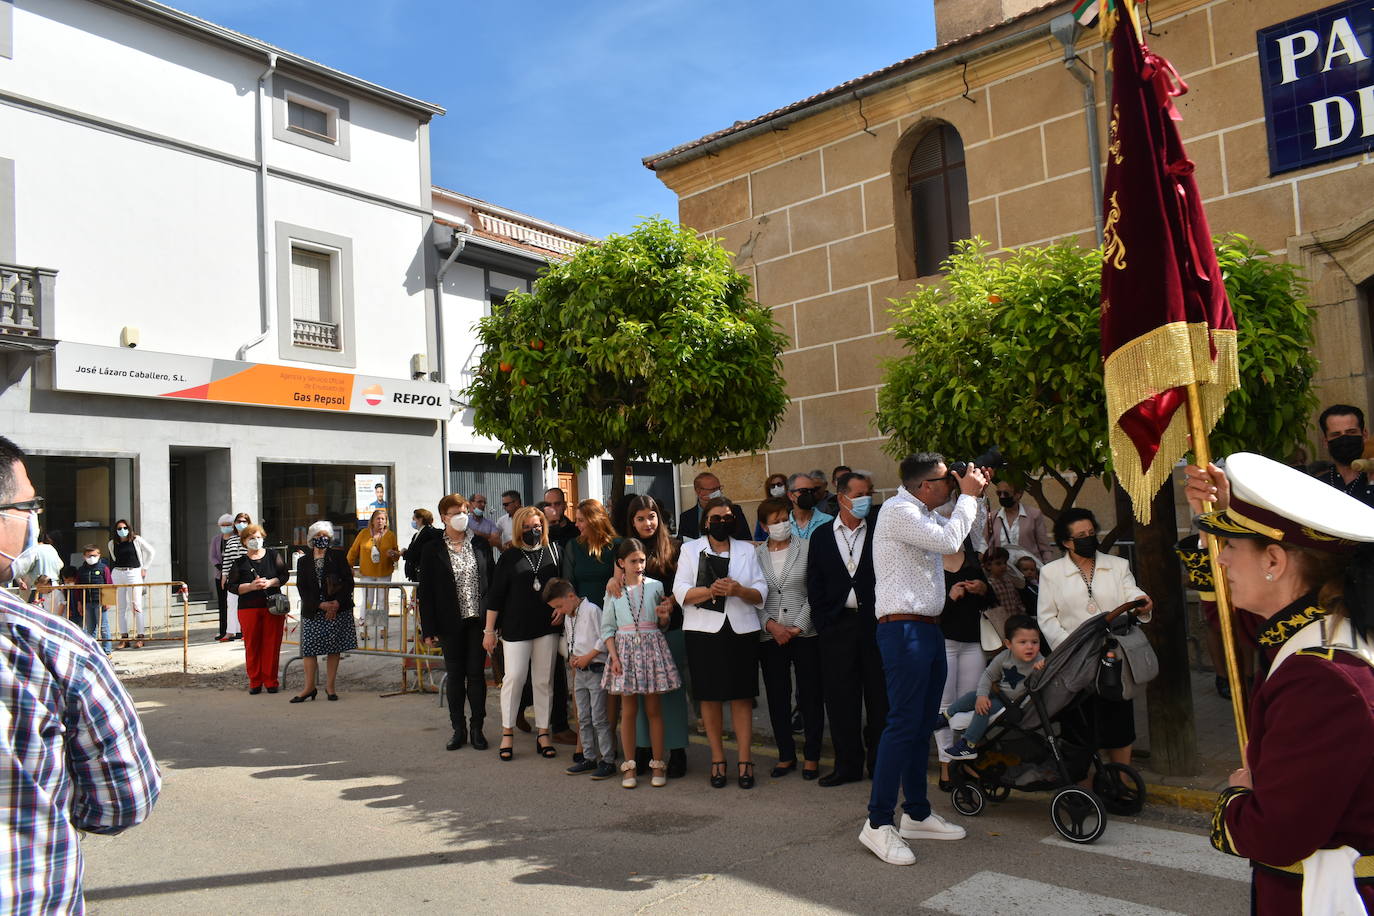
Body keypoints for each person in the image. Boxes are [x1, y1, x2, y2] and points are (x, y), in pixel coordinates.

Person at [1186, 453, 1374, 914]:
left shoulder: (1322, 678)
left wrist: (1237, 796)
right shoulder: (1323, 628)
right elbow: (1240, 627)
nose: (1221, 559)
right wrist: (1224, 513)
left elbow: (1275, 834)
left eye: (1231, 546)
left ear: (1274, 559)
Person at [0, 435, 160, 912]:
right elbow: (124, 800)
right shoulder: (52, 647)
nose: (34, 518)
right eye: (29, 506)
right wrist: (47, 809)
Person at [860, 453, 986, 867]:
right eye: (946, 480)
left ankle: (916, 813)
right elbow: (950, 543)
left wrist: (974, 496)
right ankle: (878, 822)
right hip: (903, 629)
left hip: (929, 627)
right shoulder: (898, 511)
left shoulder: (926, 514)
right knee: (902, 724)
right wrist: (967, 498)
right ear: (924, 485)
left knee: (922, 724)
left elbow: (962, 545)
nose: (952, 484)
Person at [1036, 507, 1153, 767]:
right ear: (1066, 542)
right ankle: (1085, 784)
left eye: (1091, 533)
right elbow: (1047, 618)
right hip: (1074, 663)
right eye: (1081, 536)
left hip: (1113, 657)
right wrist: (1070, 647)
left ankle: (1121, 779)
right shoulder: (1051, 573)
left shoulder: (1117, 566)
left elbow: (1131, 592)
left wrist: (1141, 602)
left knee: (1119, 722)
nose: (1088, 538)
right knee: (1080, 726)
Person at [673, 496, 767, 789]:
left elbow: (761, 591)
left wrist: (739, 590)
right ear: (705, 522)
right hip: (703, 632)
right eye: (715, 518)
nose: (721, 523)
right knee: (709, 697)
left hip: (741, 630)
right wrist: (710, 590)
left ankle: (745, 760)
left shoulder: (747, 550)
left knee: (742, 697)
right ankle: (717, 759)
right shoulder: (690, 550)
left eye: (727, 518)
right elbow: (681, 592)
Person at [808, 470, 886, 787]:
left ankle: (881, 764)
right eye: (859, 494)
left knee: (880, 699)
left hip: (876, 626)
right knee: (841, 700)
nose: (866, 499)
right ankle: (847, 765)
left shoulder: (880, 530)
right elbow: (815, 583)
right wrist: (824, 622)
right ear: (841, 498)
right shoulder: (822, 536)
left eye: (869, 493)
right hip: (837, 628)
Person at [483, 505, 562, 760]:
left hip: (546, 626)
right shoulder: (509, 557)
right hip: (516, 627)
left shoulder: (554, 551)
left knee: (543, 681)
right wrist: (489, 631)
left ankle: (543, 732)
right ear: (518, 529)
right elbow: (495, 597)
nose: (532, 531)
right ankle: (507, 732)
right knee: (514, 678)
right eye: (526, 527)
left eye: (536, 526)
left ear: (543, 526)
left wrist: (562, 610)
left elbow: (562, 588)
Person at [602, 539, 681, 788]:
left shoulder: (656, 586)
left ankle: (658, 763)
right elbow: (607, 628)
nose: (639, 565)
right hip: (624, 654)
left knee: (654, 710)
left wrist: (664, 618)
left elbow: (662, 624)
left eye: (642, 560)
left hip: (651, 651)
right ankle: (630, 766)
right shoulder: (613, 590)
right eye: (633, 561)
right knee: (628, 712)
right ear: (621, 563)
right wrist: (614, 658)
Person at [621, 494, 690, 779]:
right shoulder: (626, 548)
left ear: (659, 518)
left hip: (671, 630)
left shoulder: (676, 547)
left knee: (671, 693)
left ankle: (677, 750)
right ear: (632, 522)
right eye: (640, 518)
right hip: (636, 634)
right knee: (639, 696)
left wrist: (672, 601)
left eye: (651, 517)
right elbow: (619, 582)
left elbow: (687, 584)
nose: (647, 523)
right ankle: (643, 748)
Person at [419, 494, 494, 751]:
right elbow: (426, 592)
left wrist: (494, 623)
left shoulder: (481, 544)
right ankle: (458, 729)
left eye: (464, 511)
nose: (461, 516)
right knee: (455, 676)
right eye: (455, 512)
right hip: (449, 623)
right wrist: (428, 628)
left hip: (477, 622)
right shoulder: (432, 549)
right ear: (443, 517)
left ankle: (477, 728)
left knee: (476, 675)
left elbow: (491, 582)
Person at [755, 498, 823, 779]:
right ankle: (785, 754)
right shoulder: (756, 555)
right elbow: (752, 597)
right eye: (775, 521)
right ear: (764, 526)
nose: (782, 525)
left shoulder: (807, 548)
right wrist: (771, 626)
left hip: (805, 633)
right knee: (777, 696)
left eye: (785, 519)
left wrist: (797, 626)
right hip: (770, 635)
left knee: (810, 695)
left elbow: (815, 590)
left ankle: (812, 756)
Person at [562, 499, 619, 762]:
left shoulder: (616, 546)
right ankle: (582, 745)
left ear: (595, 520)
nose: (576, 524)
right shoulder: (574, 546)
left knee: (610, 684)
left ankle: (610, 742)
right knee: (582, 681)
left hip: (611, 618)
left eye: (581, 520)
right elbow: (568, 583)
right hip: (582, 621)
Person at [942, 614, 1046, 759]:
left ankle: (969, 744)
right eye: (1022, 642)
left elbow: (1045, 680)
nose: (1030, 647)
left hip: (1013, 703)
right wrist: (982, 695)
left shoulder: (1039, 661)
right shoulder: (1004, 656)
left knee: (984, 708)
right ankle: (946, 715)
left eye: (1034, 642)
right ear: (1009, 644)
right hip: (1000, 694)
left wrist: (1041, 670)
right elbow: (988, 675)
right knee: (973, 696)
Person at [934, 541, 994, 788]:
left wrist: (982, 589)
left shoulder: (971, 556)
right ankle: (945, 765)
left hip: (973, 641)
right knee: (944, 706)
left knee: (970, 704)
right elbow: (925, 608)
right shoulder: (930, 557)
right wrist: (950, 598)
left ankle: (964, 759)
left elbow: (992, 601)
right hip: (944, 640)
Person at [546, 578, 615, 779]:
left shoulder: (592, 610)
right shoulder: (569, 615)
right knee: (583, 717)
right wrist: (572, 656)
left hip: (595, 669)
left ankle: (608, 760)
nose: (559, 610)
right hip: (580, 673)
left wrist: (588, 657)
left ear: (571, 596)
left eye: (559, 606)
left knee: (599, 717)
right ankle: (588, 757)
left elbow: (604, 636)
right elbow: (571, 640)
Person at [293, 521, 356, 703]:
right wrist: (320, 605)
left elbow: (348, 582)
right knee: (309, 649)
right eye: (318, 536)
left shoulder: (338, 556)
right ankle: (309, 688)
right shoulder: (303, 561)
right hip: (314, 609)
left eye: (325, 536)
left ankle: (330, 687)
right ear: (312, 538)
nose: (322, 539)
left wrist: (336, 603)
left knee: (334, 648)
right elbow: (302, 587)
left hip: (337, 609)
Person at [227, 523, 289, 694]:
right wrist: (251, 586)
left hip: (273, 607)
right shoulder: (239, 562)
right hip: (248, 608)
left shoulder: (273, 555)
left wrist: (270, 582)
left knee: (272, 644)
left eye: (258, 537)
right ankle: (255, 681)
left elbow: (284, 575)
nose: (256, 540)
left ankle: (271, 681)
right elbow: (232, 586)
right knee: (252, 645)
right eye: (251, 538)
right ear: (244, 541)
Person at [347, 509, 399, 644]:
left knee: (382, 601)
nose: (380, 521)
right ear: (372, 521)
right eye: (378, 518)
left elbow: (396, 555)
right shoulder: (363, 533)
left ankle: (382, 628)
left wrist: (394, 554)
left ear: (386, 521)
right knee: (368, 600)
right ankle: (363, 629)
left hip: (384, 573)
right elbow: (353, 551)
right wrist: (349, 566)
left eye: (383, 519)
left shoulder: (390, 535)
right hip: (367, 573)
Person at [1314, 403, 1374, 508]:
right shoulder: (1318, 485)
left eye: (1351, 432)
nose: (1344, 440)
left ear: (1364, 435)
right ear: (1325, 442)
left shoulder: (1371, 477)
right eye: (1336, 434)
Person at [108, 519, 155, 649]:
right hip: (118, 573)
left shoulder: (136, 540)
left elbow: (151, 551)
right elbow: (114, 558)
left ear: (129, 528)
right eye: (119, 528)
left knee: (136, 604)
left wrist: (145, 568)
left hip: (133, 572)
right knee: (121, 606)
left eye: (124, 528)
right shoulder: (112, 543)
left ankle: (140, 636)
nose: (122, 530)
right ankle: (124, 637)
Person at [985, 482, 1057, 564]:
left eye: (1006, 493)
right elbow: (986, 546)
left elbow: (1045, 548)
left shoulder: (1034, 515)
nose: (1002, 497)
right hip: (1004, 569)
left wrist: (1047, 567)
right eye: (999, 493)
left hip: (1030, 569)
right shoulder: (993, 517)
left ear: (1018, 494)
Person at [677, 472, 751, 540]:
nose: (718, 492)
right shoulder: (686, 517)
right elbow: (683, 543)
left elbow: (746, 539)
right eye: (713, 489)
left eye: (719, 488)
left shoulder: (734, 510)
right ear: (698, 491)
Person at [76, 543, 114, 656]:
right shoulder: (81, 570)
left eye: (94, 555)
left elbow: (109, 583)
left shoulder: (104, 568)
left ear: (99, 555)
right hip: (87, 602)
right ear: (84, 556)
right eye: (89, 556)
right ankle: (92, 651)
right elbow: (78, 588)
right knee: (90, 628)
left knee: (103, 627)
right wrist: (79, 602)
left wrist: (108, 600)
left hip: (100, 602)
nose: (91, 558)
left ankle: (107, 651)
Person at [219, 512, 252, 642]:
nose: (241, 524)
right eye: (239, 521)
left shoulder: (251, 538)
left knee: (246, 604)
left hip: (247, 575)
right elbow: (227, 559)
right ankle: (230, 632)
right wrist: (224, 576)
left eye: (244, 521)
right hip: (233, 576)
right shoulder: (231, 540)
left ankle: (245, 631)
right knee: (231, 604)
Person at [786, 472, 834, 541]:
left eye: (812, 491)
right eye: (803, 491)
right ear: (790, 495)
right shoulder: (783, 525)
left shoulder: (828, 521)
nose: (809, 494)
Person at [210, 513, 235, 640]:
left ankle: (236, 631)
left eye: (228, 525)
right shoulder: (216, 539)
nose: (225, 527)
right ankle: (223, 631)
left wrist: (230, 570)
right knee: (222, 604)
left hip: (235, 576)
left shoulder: (236, 539)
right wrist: (221, 568)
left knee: (234, 604)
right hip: (220, 576)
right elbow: (213, 556)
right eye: (223, 525)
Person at [402, 507, 441, 583]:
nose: (413, 522)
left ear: (420, 519)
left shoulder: (427, 533)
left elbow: (417, 553)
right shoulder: (418, 534)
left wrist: (404, 553)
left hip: (424, 573)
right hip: (417, 573)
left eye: (414, 519)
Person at [754, 473, 790, 541]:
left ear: (786, 486)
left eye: (779, 484)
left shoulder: (792, 506)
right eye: (772, 486)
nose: (776, 487)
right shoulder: (764, 508)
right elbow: (758, 535)